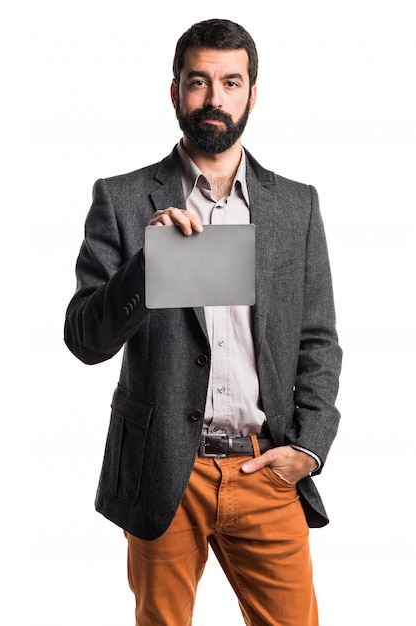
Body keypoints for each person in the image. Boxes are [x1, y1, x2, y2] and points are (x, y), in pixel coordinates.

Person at [64, 18, 342, 626]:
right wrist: (145, 266)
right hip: (165, 469)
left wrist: (310, 450)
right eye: (199, 82)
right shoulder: (122, 197)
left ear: (252, 93)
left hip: (264, 467)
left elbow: (318, 339)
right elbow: (84, 339)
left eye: (231, 82)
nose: (215, 99)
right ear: (175, 92)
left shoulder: (297, 205)